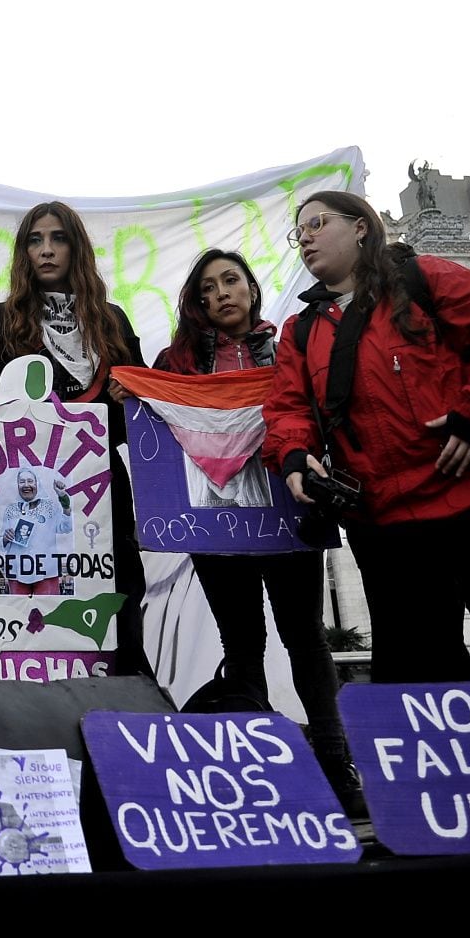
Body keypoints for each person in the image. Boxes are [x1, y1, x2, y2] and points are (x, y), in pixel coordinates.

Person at [262, 190, 470, 683]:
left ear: (361, 226)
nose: (306, 238)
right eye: (299, 232)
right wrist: (294, 455)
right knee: (418, 661)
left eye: (318, 223)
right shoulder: (300, 330)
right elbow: (288, 408)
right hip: (387, 515)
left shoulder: (429, 278)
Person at [153, 247, 359, 809]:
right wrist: (135, 393)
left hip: (289, 510)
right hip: (215, 522)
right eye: (208, 288)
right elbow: (161, 430)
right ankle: (258, 769)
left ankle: (337, 766)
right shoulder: (175, 364)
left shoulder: (289, 347)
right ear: (197, 303)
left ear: (251, 288)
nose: (222, 293)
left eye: (231, 281)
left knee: (305, 637)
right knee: (241, 643)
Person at [0, 201, 149, 676]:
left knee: (121, 595)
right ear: (24, 253)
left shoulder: (111, 320)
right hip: (27, 496)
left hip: (102, 486)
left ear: (77, 248)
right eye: (35, 240)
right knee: (35, 600)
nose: (46, 250)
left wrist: (125, 396)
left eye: (58, 238)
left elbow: (141, 414)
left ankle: (129, 701)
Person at [0, 467, 73, 596]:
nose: (26, 485)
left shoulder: (49, 507)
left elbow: (66, 527)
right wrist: (5, 538)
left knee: (48, 611)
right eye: (22, 482)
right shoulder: (10, 509)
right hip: (17, 572)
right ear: (17, 485)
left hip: (47, 572)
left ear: (37, 484)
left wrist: (63, 499)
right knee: (17, 612)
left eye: (30, 481)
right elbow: (1, 543)